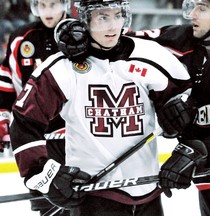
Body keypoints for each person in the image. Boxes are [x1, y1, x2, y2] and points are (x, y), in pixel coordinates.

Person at [55, 0, 210, 215]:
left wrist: (193, 155)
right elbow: (122, 39)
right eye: (191, 6)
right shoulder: (179, 39)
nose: (192, 14)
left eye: (201, 8)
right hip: (208, 170)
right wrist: (77, 33)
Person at [10, 0, 195, 215]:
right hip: (93, 195)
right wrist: (45, 175)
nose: (112, 26)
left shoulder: (152, 56)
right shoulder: (63, 67)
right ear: (86, 20)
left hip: (147, 192)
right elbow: (24, 121)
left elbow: (186, 103)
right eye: (103, 18)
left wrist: (189, 149)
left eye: (118, 16)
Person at [0, 0, 72, 215]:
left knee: (83, 202)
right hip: (37, 137)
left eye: (52, 5)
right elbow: (6, 80)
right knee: (49, 207)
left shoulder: (79, 34)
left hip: (77, 137)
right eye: (42, 5)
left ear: (64, 4)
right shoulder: (23, 38)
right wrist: (2, 117)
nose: (47, 11)